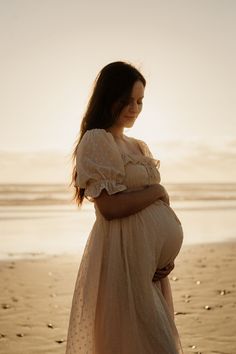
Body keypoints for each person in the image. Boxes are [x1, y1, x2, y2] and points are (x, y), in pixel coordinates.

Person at [65, 61, 184, 354]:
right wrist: (157, 191)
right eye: (127, 100)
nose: (135, 108)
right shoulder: (97, 140)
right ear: (109, 98)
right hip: (121, 260)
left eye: (140, 101)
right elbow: (109, 207)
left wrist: (163, 258)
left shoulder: (138, 146)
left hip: (149, 269)